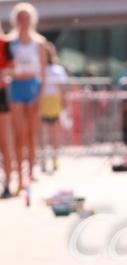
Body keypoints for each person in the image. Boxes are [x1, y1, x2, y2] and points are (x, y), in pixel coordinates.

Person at [7, 2, 46, 195]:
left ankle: (30, 174)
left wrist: (39, 94)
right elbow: (7, 68)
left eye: (27, 17)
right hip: (16, 88)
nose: (24, 21)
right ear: (16, 20)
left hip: (33, 88)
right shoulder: (10, 42)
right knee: (18, 135)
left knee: (31, 135)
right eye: (20, 18)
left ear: (32, 20)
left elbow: (43, 73)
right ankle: (18, 176)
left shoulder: (39, 43)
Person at [39, 41, 66, 173]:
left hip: (50, 101)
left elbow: (62, 90)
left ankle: (52, 160)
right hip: (45, 102)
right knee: (48, 134)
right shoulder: (41, 69)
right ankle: (47, 160)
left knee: (50, 134)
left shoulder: (56, 70)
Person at [0, 25, 14, 199]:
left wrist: (3, 77)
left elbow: (12, 66)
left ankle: (8, 183)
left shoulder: (5, 43)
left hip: (2, 95)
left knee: (4, 142)